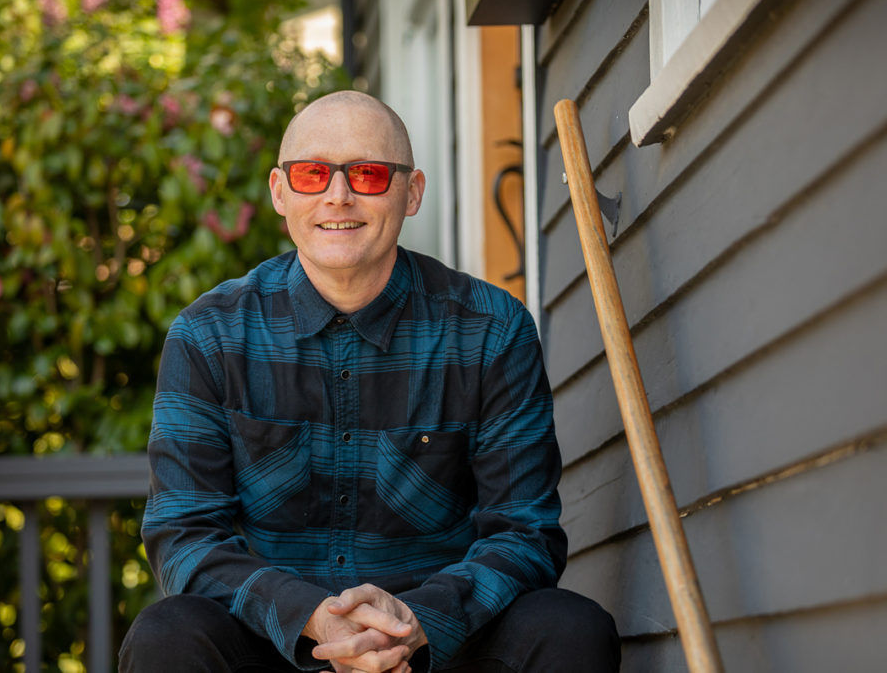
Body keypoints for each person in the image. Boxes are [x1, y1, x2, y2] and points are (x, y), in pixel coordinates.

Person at [120, 91, 620, 672]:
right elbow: (185, 535)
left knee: (569, 627)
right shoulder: (209, 336)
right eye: (313, 174)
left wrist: (413, 623)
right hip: (283, 649)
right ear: (281, 192)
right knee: (168, 633)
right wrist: (313, 617)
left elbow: (525, 534)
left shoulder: (491, 331)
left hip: (439, 650)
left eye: (368, 173)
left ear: (412, 193)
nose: (339, 195)